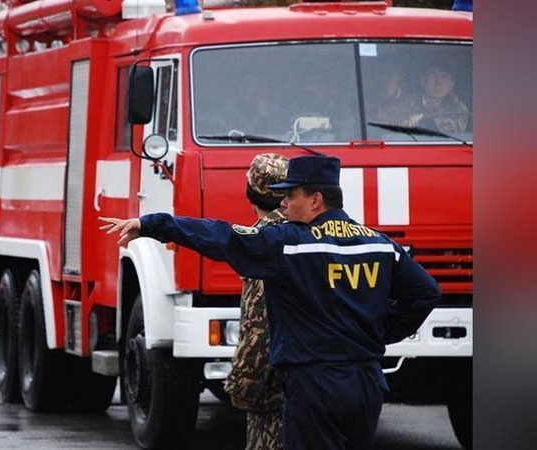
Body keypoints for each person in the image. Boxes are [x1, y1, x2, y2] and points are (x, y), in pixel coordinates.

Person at [100, 155, 440, 450]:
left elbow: (221, 236)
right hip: (367, 383)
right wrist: (380, 332)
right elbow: (426, 292)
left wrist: (153, 224)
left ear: (315, 200)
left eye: (291, 195)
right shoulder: (378, 244)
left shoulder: (289, 245)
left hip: (314, 385)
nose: (284, 204)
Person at [222, 153, 288, 450]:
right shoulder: (308, 231)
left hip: (273, 394)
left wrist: (242, 386)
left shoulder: (262, 242)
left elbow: (259, 326)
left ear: (251, 193)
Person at [404, 63, 469, 134]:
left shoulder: (457, 107)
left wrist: (423, 120)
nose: (438, 81)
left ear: (451, 84)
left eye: (444, 76)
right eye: (432, 75)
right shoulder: (404, 104)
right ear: (422, 80)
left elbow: (453, 135)